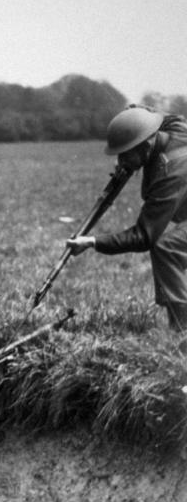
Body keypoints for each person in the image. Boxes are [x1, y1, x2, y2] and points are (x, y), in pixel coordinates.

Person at [66, 105, 187, 332]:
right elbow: (160, 117)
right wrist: (135, 112)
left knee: (166, 247)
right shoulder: (175, 128)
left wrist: (92, 242)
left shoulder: (171, 172)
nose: (121, 159)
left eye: (126, 152)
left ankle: (182, 331)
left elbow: (144, 236)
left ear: (147, 144)